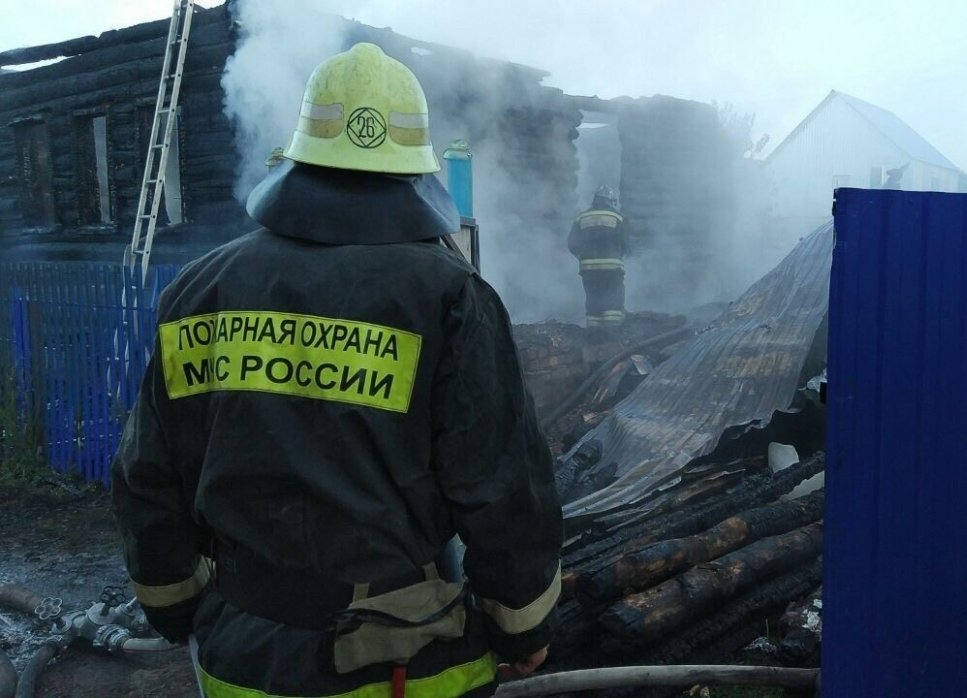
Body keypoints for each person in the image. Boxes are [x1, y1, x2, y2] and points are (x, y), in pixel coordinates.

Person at [111, 42, 563, 698]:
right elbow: (500, 485)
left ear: (303, 155)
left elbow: (148, 475)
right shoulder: (450, 296)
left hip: (240, 658)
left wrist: (177, 606)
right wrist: (522, 627)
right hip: (404, 668)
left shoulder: (199, 290)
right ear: (414, 171)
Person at [568, 185, 628, 327]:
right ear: (611, 200)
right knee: (613, 303)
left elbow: (572, 244)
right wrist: (619, 254)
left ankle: (593, 333)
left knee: (593, 302)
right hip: (612, 268)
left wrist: (582, 256)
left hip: (589, 269)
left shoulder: (581, 217)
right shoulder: (618, 217)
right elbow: (626, 243)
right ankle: (611, 332)